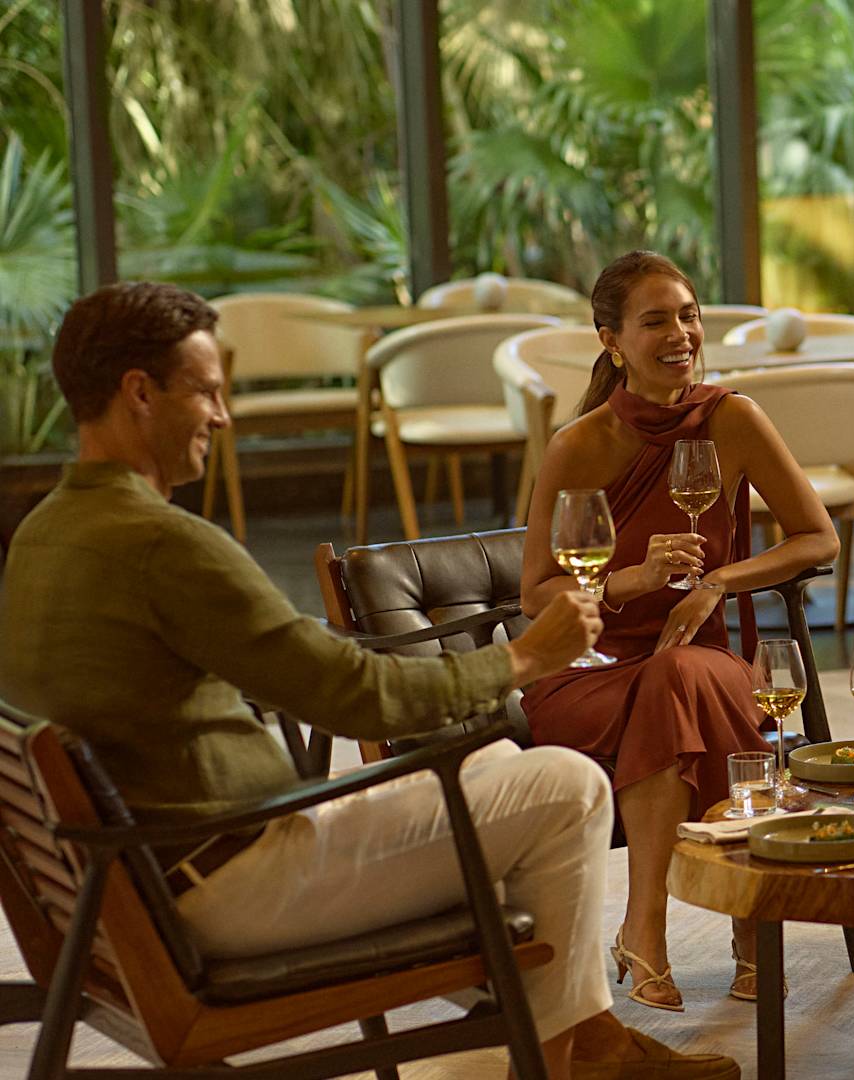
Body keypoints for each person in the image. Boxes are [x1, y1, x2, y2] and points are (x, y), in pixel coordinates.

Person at [0, 282, 737, 1080]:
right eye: (207, 391)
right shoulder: (160, 542)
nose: (222, 416)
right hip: (228, 883)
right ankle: (568, 1060)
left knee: (493, 768)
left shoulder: (44, 532)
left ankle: (588, 1044)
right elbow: (354, 695)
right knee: (565, 785)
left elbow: (277, 670)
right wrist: (522, 660)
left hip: (138, 879)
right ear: (138, 395)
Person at [517, 251, 838, 1011]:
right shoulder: (579, 445)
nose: (681, 333)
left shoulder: (732, 419)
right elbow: (537, 594)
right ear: (611, 340)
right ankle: (740, 926)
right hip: (589, 671)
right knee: (672, 682)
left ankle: (644, 929)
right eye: (655, 320)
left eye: (689, 316)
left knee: (681, 676)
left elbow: (816, 538)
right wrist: (631, 581)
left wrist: (718, 583)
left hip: (706, 659)